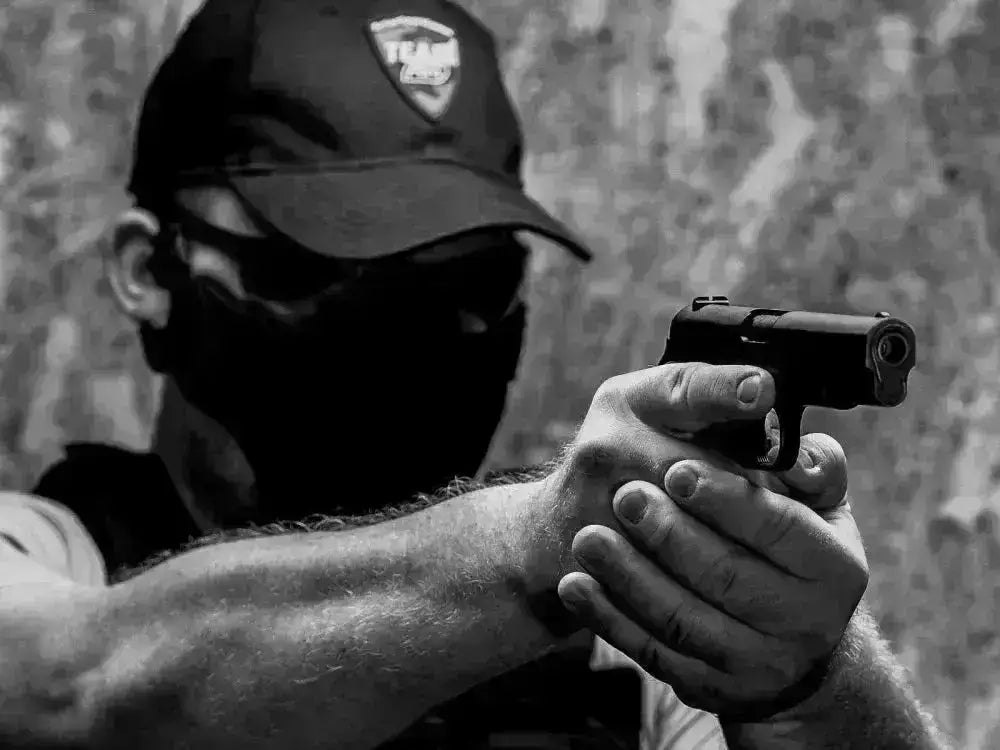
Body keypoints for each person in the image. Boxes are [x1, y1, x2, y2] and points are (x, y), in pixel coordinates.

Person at [0, 0, 950, 748]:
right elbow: (80, 686)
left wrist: (807, 673)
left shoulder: (616, 644)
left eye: (468, 285)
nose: (395, 340)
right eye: (320, 270)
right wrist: (534, 546)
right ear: (147, 271)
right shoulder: (44, 554)